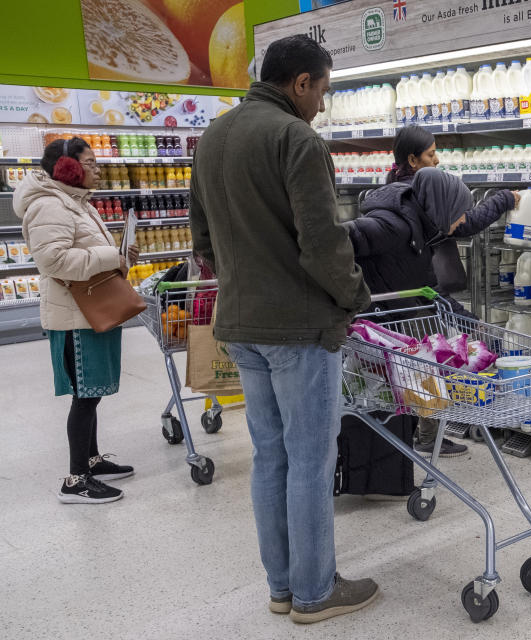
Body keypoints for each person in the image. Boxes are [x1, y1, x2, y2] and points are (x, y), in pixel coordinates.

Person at [189, 35, 376, 624]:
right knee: (310, 460)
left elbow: (201, 240)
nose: (322, 103)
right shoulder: (296, 139)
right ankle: (317, 593)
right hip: (299, 329)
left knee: (270, 458)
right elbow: (322, 242)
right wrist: (355, 297)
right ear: (300, 83)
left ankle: (283, 587)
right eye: (322, 89)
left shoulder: (213, 137)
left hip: (240, 322)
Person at [346, 167, 518, 458]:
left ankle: (409, 447)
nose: (463, 220)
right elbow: (333, 239)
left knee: (416, 382)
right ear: (443, 207)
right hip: (379, 323)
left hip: (399, 314)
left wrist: (464, 317)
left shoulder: (420, 228)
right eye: (460, 212)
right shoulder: (392, 225)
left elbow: (427, 286)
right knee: (414, 382)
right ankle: (395, 453)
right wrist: (349, 295)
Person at [13, 137, 138, 504]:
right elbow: (54, 261)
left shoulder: (77, 203)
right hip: (74, 315)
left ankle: (92, 460)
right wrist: (108, 255)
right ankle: (75, 480)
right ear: (67, 169)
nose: (97, 168)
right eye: (90, 162)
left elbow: (88, 254)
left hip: (89, 308)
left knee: (93, 393)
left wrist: (119, 256)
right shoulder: (49, 206)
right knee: (84, 397)